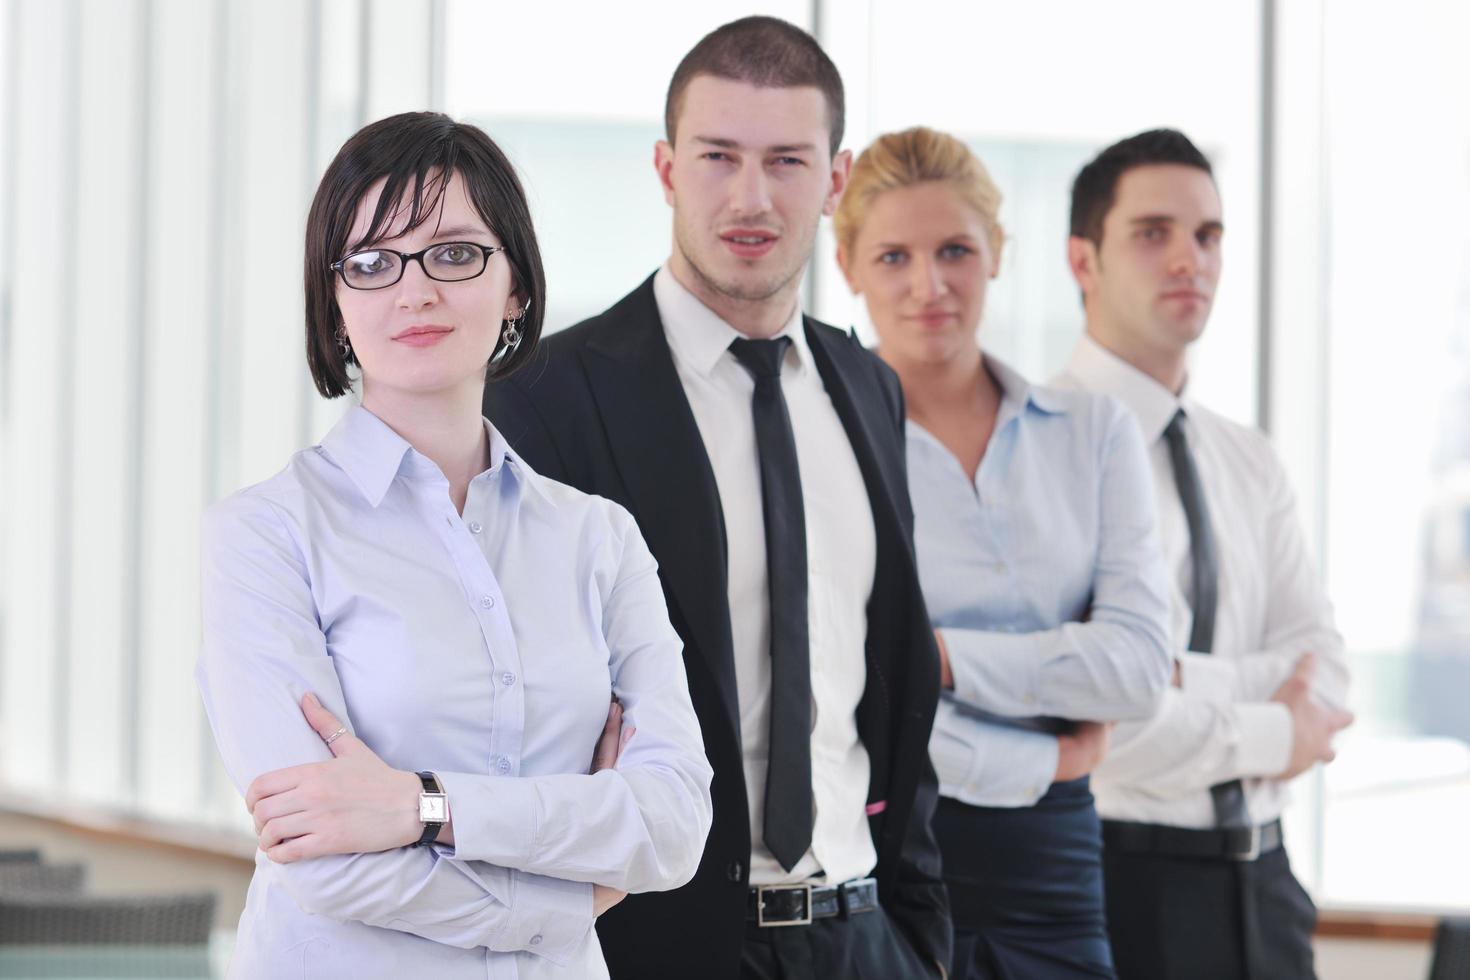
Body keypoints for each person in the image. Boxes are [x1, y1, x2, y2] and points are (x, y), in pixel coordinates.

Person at [196, 111, 713, 979]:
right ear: (335, 299)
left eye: (455, 252)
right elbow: (322, 860)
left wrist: (418, 806)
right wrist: (575, 895)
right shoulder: (263, 535)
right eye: (371, 261)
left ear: (515, 285)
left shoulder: (598, 539)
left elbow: (672, 824)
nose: (414, 290)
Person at [485, 17, 949, 980]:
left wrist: (918, 933)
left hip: (866, 933)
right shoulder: (548, 398)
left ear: (835, 179)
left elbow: (886, 680)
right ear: (665, 169)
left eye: (786, 161)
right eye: (717, 157)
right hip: (662, 940)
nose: (751, 196)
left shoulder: (870, 389)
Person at [833, 126, 1171, 979]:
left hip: (1055, 863)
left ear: (997, 255)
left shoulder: (1094, 434)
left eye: (955, 250)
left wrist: (939, 658)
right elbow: (844, 699)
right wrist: (1046, 754)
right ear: (847, 268)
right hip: (884, 848)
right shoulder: (824, 445)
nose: (928, 286)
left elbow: (1137, 667)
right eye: (893, 258)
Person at [1054, 128, 1353, 980]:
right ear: (1084, 260)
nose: (1190, 258)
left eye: (1208, 235)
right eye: (1154, 233)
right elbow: (1091, 718)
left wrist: (1180, 675)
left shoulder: (1248, 458)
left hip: (1267, 888)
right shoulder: (1041, 447)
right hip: (1119, 880)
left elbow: (1325, 668)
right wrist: (1272, 726)